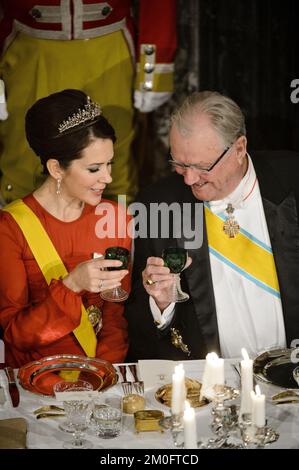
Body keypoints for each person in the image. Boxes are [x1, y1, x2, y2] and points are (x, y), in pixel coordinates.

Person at [125, 90, 299, 361]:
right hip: (211, 383)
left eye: (202, 167)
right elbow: (137, 322)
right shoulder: (156, 205)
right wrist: (162, 303)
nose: (189, 179)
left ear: (239, 148)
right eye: (179, 165)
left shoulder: (292, 179)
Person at [0, 89, 132, 368]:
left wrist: (101, 374)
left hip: (100, 376)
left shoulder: (116, 218)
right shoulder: (10, 228)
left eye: (110, 164)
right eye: (94, 169)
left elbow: (114, 316)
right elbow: (16, 335)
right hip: (36, 382)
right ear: (56, 168)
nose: (107, 178)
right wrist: (72, 285)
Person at [0, 0, 177, 205]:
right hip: (28, 48)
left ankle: (113, 233)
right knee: (25, 162)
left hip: (110, 45)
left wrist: (155, 60)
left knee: (112, 165)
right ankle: (19, 233)